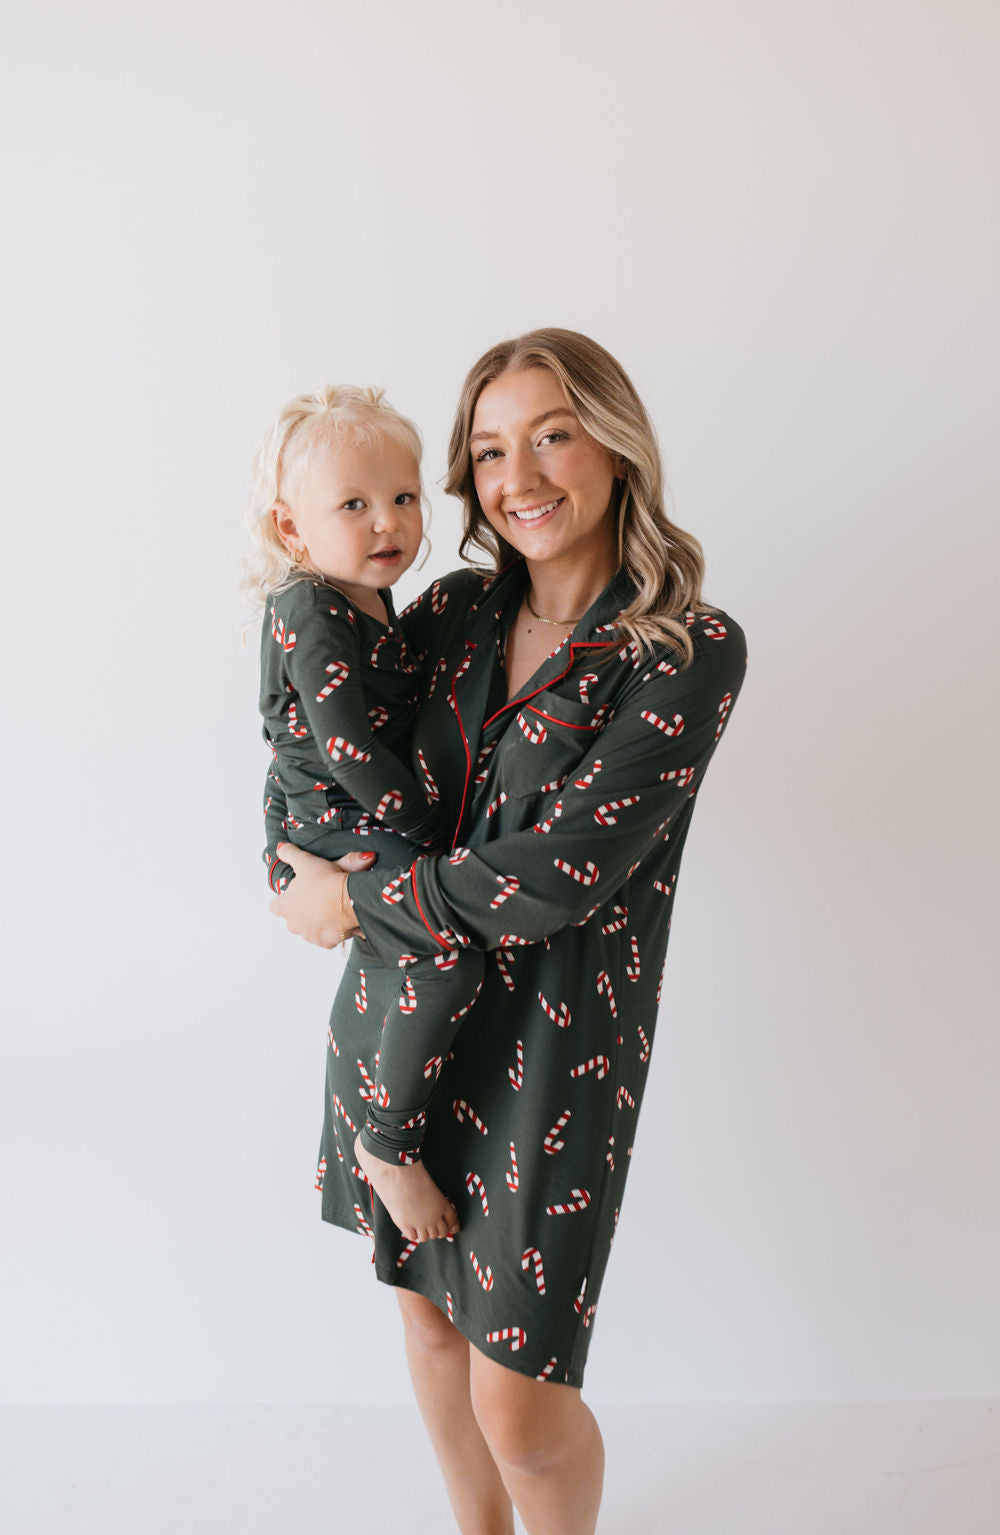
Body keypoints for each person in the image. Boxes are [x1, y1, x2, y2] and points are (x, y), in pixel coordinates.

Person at [268, 330, 747, 1535]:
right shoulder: (451, 610)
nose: (517, 475)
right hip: (398, 1030)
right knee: (426, 1317)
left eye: (550, 434)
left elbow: (560, 874)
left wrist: (355, 897)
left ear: (613, 442)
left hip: (554, 1051)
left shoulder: (686, 650)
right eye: (487, 450)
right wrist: (281, 869)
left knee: (522, 1404)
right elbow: (314, 746)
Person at [244, 385, 484, 1242]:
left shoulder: (372, 601)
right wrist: (424, 827)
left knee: (430, 956)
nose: (388, 522)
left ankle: (394, 1125)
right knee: (447, 956)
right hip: (339, 820)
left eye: (404, 498)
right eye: (355, 503)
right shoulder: (310, 607)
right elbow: (340, 743)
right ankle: (385, 1146)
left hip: (341, 816)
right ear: (291, 529)